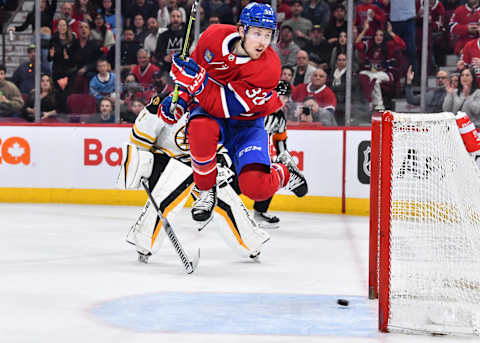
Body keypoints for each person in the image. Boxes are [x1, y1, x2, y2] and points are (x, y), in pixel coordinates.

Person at [158, 2, 308, 227]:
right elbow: (193, 73)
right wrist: (179, 99)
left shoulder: (269, 68)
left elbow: (223, 105)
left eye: (268, 35)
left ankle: (285, 171)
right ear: (241, 30)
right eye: (257, 33)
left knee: (255, 188)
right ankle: (206, 189)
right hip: (210, 114)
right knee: (200, 128)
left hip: (245, 123)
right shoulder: (212, 37)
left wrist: (195, 82)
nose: (263, 42)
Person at [117, 96, 270, 262]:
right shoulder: (165, 104)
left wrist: (221, 159)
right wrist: (140, 165)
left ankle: (251, 244)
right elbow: (139, 140)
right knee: (169, 188)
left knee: (224, 196)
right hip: (166, 162)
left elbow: (223, 144)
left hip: (199, 165)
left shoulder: (215, 107)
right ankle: (144, 243)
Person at [356, 22, 406, 110]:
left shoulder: (388, 45)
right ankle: (370, 102)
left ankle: (379, 104)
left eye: (381, 35)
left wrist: (390, 32)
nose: (378, 37)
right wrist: (365, 30)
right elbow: (357, 44)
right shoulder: (369, 44)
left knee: (375, 80)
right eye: (376, 35)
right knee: (362, 74)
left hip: (385, 73)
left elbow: (402, 45)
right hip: (371, 72)